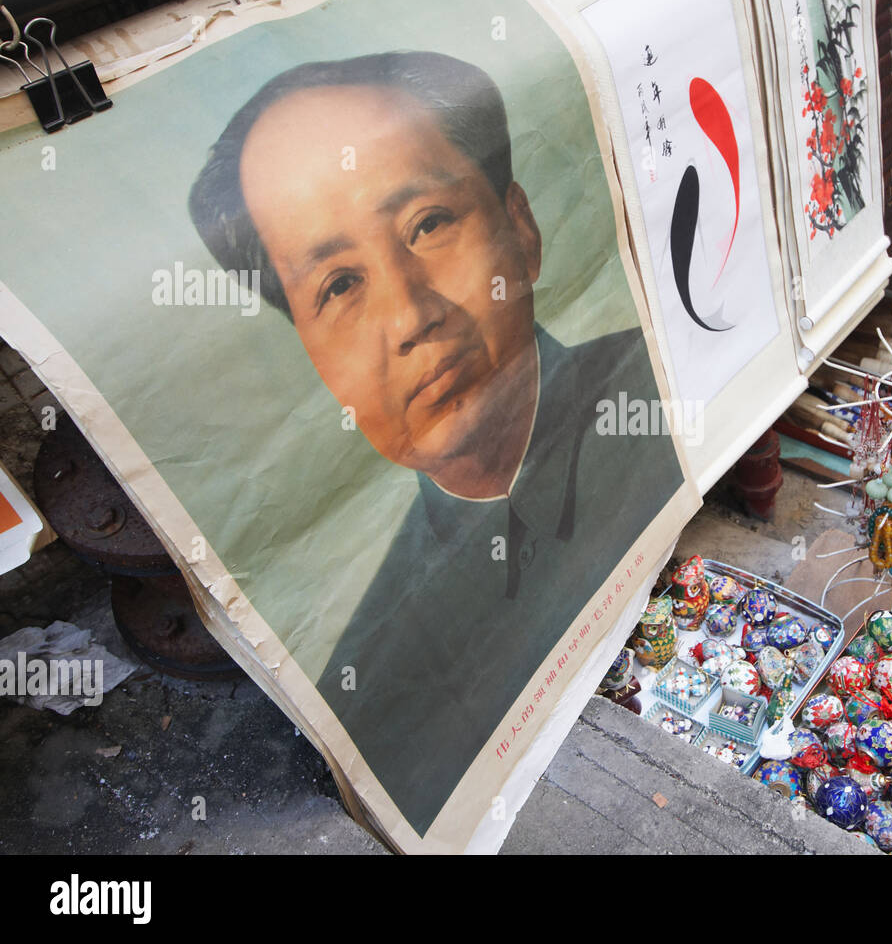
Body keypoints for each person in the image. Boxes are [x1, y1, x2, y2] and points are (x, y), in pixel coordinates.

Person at [189, 51, 682, 834]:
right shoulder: (374, 681)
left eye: (428, 224)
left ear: (520, 229)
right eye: (339, 286)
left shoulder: (676, 396)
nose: (410, 316)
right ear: (314, 358)